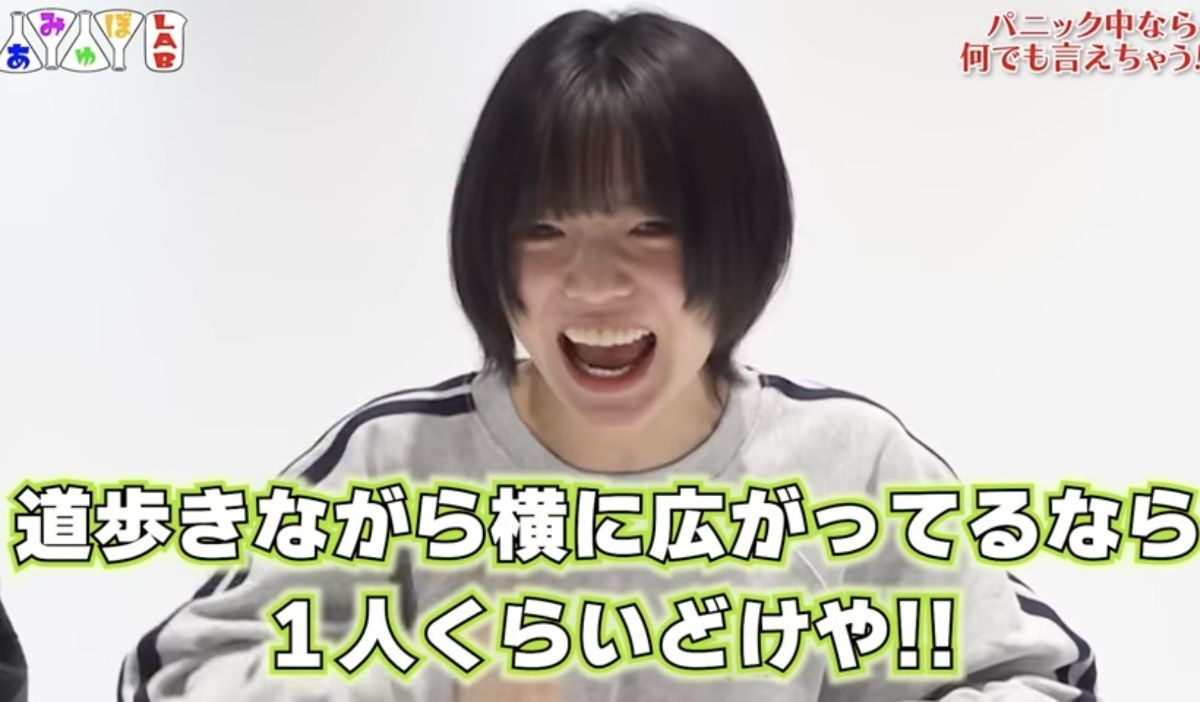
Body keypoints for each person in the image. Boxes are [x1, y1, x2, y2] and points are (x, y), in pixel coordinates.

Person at [118, 8, 1098, 701]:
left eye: (650, 228)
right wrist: (436, 682)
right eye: (544, 231)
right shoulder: (395, 464)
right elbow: (171, 678)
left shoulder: (853, 466)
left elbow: (1035, 676)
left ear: (743, 237)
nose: (593, 285)